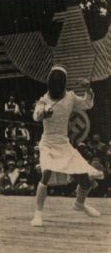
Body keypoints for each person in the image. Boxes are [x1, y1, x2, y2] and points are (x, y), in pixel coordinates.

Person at [30, 65, 104, 227]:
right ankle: (38, 213)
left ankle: (79, 204)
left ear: (64, 84)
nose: (56, 87)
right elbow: (36, 116)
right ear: (50, 84)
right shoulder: (43, 100)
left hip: (64, 145)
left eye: (59, 83)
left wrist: (88, 89)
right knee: (46, 172)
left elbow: (87, 104)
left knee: (85, 181)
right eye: (53, 83)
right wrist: (43, 113)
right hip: (48, 145)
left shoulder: (70, 97)